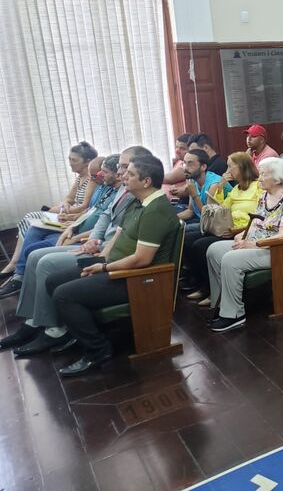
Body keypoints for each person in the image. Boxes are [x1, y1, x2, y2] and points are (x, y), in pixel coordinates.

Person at [0, 149, 144, 354]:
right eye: (120, 166)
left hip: (105, 252)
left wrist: (93, 243)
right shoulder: (121, 190)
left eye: (124, 167)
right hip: (96, 243)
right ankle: (33, 321)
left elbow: (121, 233)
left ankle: (54, 329)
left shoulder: (136, 195)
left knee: (46, 263)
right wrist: (92, 238)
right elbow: (103, 216)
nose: (121, 172)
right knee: (34, 256)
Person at [51, 154, 181, 376]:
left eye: (130, 174)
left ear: (146, 181)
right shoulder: (136, 202)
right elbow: (118, 236)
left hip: (136, 279)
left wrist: (103, 268)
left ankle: (97, 350)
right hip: (115, 265)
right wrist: (100, 256)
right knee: (53, 280)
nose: (124, 177)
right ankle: (81, 333)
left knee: (64, 295)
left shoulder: (156, 210)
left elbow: (142, 259)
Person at [205, 158, 283, 332]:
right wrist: (242, 236)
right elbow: (255, 222)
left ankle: (234, 314)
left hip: (274, 250)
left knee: (230, 259)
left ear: (277, 179)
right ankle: (220, 303)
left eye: (264, 174)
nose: (259, 178)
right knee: (213, 250)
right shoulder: (264, 195)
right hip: (255, 243)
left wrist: (253, 244)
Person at [0, 141, 99, 279]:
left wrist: (64, 212)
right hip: (68, 213)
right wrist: (65, 204)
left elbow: (84, 207)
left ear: (87, 161)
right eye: (69, 159)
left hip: (74, 217)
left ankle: (16, 265)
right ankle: (17, 266)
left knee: (31, 220)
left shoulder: (92, 179)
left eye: (74, 160)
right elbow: (68, 198)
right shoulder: (79, 178)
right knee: (30, 221)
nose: (70, 163)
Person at [182, 152, 261, 306]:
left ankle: (212, 290)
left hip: (242, 231)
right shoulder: (236, 188)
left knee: (200, 245)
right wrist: (221, 185)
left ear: (242, 167)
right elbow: (219, 209)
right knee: (187, 239)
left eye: (230, 167)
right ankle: (202, 284)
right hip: (227, 227)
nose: (227, 171)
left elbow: (260, 217)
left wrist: (238, 231)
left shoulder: (258, 187)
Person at [173, 149, 226, 229]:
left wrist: (195, 196)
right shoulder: (193, 180)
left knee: (179, 231)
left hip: (217, 225)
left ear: (203, 167)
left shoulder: (214, 185)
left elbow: (210, 220)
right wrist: (169, 219)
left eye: (190, 164)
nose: (185, 168)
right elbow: (190, 211)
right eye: (184, 163)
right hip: (202, 219)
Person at [162, 133, 192, 201]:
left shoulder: (188, 166)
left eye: (182, 148)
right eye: (176, 147)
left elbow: (168, 179)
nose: (177, 151)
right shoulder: (179, 162)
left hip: (179, 203)